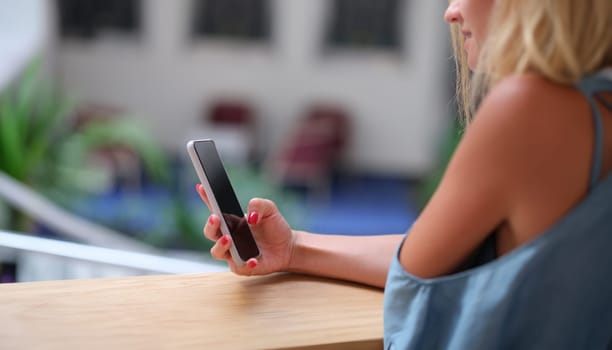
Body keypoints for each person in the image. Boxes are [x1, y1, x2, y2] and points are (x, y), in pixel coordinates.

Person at [196, 0, 612, 348]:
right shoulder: (595, 107)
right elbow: (432, 254)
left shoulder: (530, 107)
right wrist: (293, 248)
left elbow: (415, 276)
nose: (451, 12)